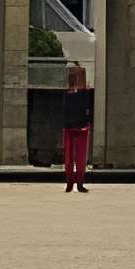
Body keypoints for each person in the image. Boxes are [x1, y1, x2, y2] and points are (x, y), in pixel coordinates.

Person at [59, 62, 94, 192]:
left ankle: (78, 182)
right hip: (70, 126)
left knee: (80, 158)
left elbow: (89, 108)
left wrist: (88, 121)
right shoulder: (67, 93)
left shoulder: (85, 92)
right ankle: (70, 182)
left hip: (81, 126)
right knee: (69, 158)